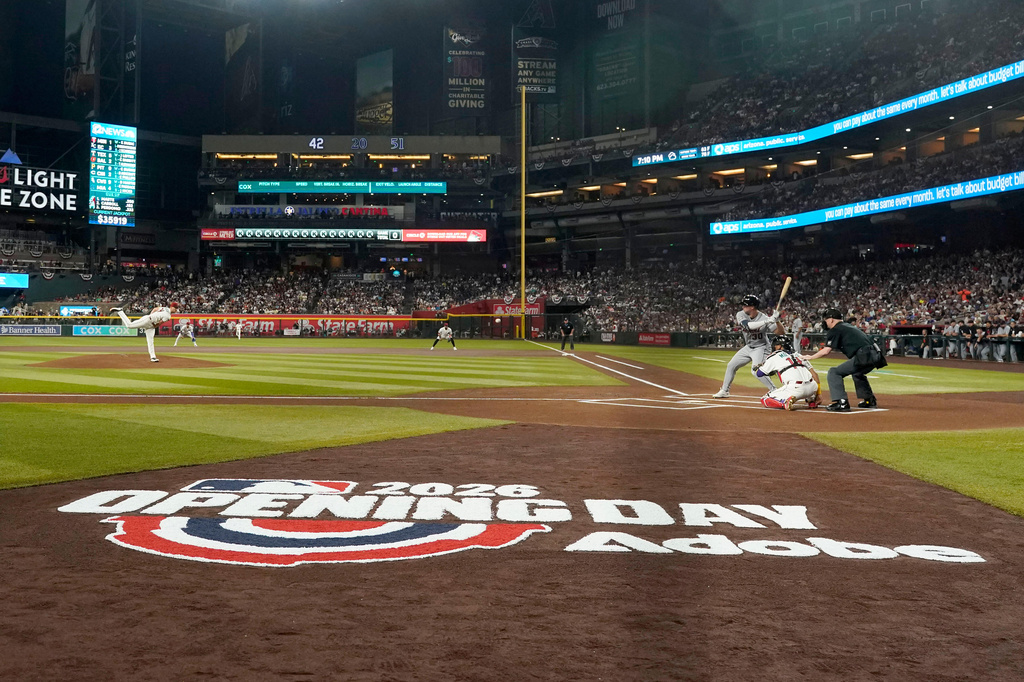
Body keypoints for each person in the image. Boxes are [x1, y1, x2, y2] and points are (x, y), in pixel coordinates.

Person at [801, 308, 886, 412]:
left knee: (834, 372)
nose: (825, 322)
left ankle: (842, 402)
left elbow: (826, 350)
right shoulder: (848, 326)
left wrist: (810, 357)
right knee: (857, 373)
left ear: (831, 319)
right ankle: (869, 400)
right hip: (876, 354)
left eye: (826, 320)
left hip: (865, 355)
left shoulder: (836, 329)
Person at [712, 294, 781, 398]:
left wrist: (777, 321)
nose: (742, 307)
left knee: (756, 371)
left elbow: (780, 333)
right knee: (731, 365)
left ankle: (774, 390)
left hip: (761, 347)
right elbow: (747, 326)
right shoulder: (742, 314)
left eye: (745, 305)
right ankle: (725, 390)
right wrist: (767, 321)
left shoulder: (764, 317)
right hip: (749, 346)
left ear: (752, 307)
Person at [753, 335, 821, 410]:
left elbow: (759, 374)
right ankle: (811, 401)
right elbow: (815, 375)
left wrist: (760, 367)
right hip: (812, 388)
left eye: (775, 345)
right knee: (808, 384)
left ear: (780, 346)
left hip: (796, 389)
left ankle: (784, 402)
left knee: (765, 399)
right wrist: (818, 394)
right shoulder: (798, 355)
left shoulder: (775, 356)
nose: (774, 347)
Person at [110, 301, 179, 363]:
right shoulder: (168, 316)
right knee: (129, 325)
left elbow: (155, 309)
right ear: (171, 307)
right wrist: (151, 318)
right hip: (148, 321)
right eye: (175, 308)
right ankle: (120, 311)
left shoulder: (164, 308)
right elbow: (159, 323)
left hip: (150, 324)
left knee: (150, 341)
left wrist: (151, 318)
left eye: (176, 308)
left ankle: (153, 357)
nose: (176, 310)